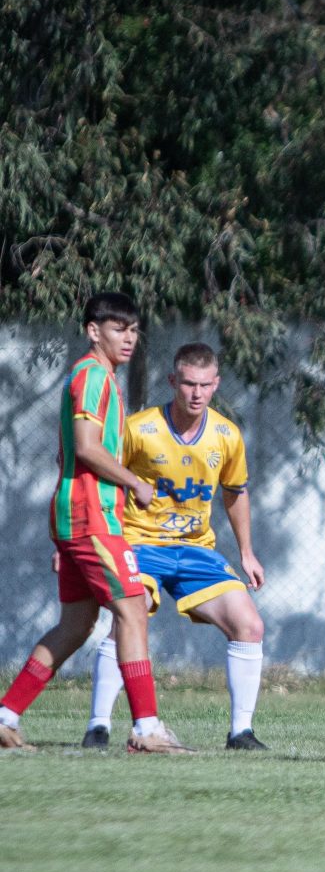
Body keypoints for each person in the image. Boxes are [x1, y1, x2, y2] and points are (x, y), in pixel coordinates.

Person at [0, 292, 192, 754]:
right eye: (118, 329)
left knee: (76, 624)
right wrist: (134, 484)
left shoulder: (99, 377)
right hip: (90, 518)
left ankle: (5, 715)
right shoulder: (91, 377)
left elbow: (68, 449)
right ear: (93, 331)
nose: (129, 338)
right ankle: (147, 729)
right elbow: (86, 447)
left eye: (133, 329)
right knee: (132, 609)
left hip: (78, 518)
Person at [81, 342, 269, 751]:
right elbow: (103, 476)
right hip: (140, 543)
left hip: (197, 550)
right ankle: (98, 727)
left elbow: (236, 493)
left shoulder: (226, 435)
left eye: (205, 384)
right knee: (130, 619)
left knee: (249, 624)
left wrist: (246, 552)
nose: (196, 393)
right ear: (173, 381)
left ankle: (241, 733)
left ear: (216, 384)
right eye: (188, 383)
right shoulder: (140, 429)